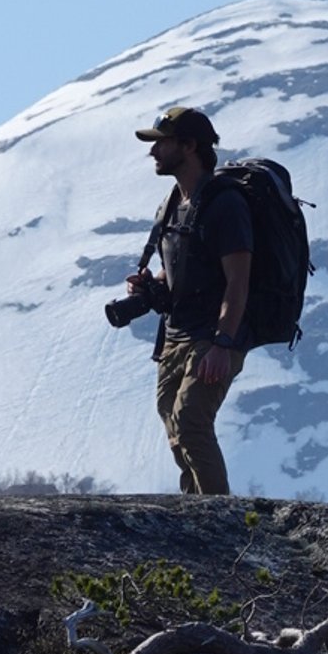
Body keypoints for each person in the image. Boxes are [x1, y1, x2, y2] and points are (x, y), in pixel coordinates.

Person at [127, 105, 252, 496]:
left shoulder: (225, 205)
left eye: (161, 144)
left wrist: (223, 343)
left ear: (189, 146)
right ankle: (196, 513)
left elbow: (237, 281)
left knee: (191, 421)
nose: (153, 153)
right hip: (177, 335)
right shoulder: (171, 204)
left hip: (213, 337)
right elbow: (182, 269)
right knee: (174, 424)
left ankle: (222, 523)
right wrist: (152, 286)